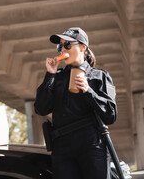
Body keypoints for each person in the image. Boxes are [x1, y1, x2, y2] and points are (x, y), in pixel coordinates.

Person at [34, 27, 117, 179]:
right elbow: (40, 108)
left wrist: (88, 91)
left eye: (67, 45)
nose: (62, 50)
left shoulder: (99, 76)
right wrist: (50, 75)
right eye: (60, 46)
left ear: (83, 47)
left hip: (91, 143)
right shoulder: (56, 77)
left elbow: (110, 115)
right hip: (62, 146)